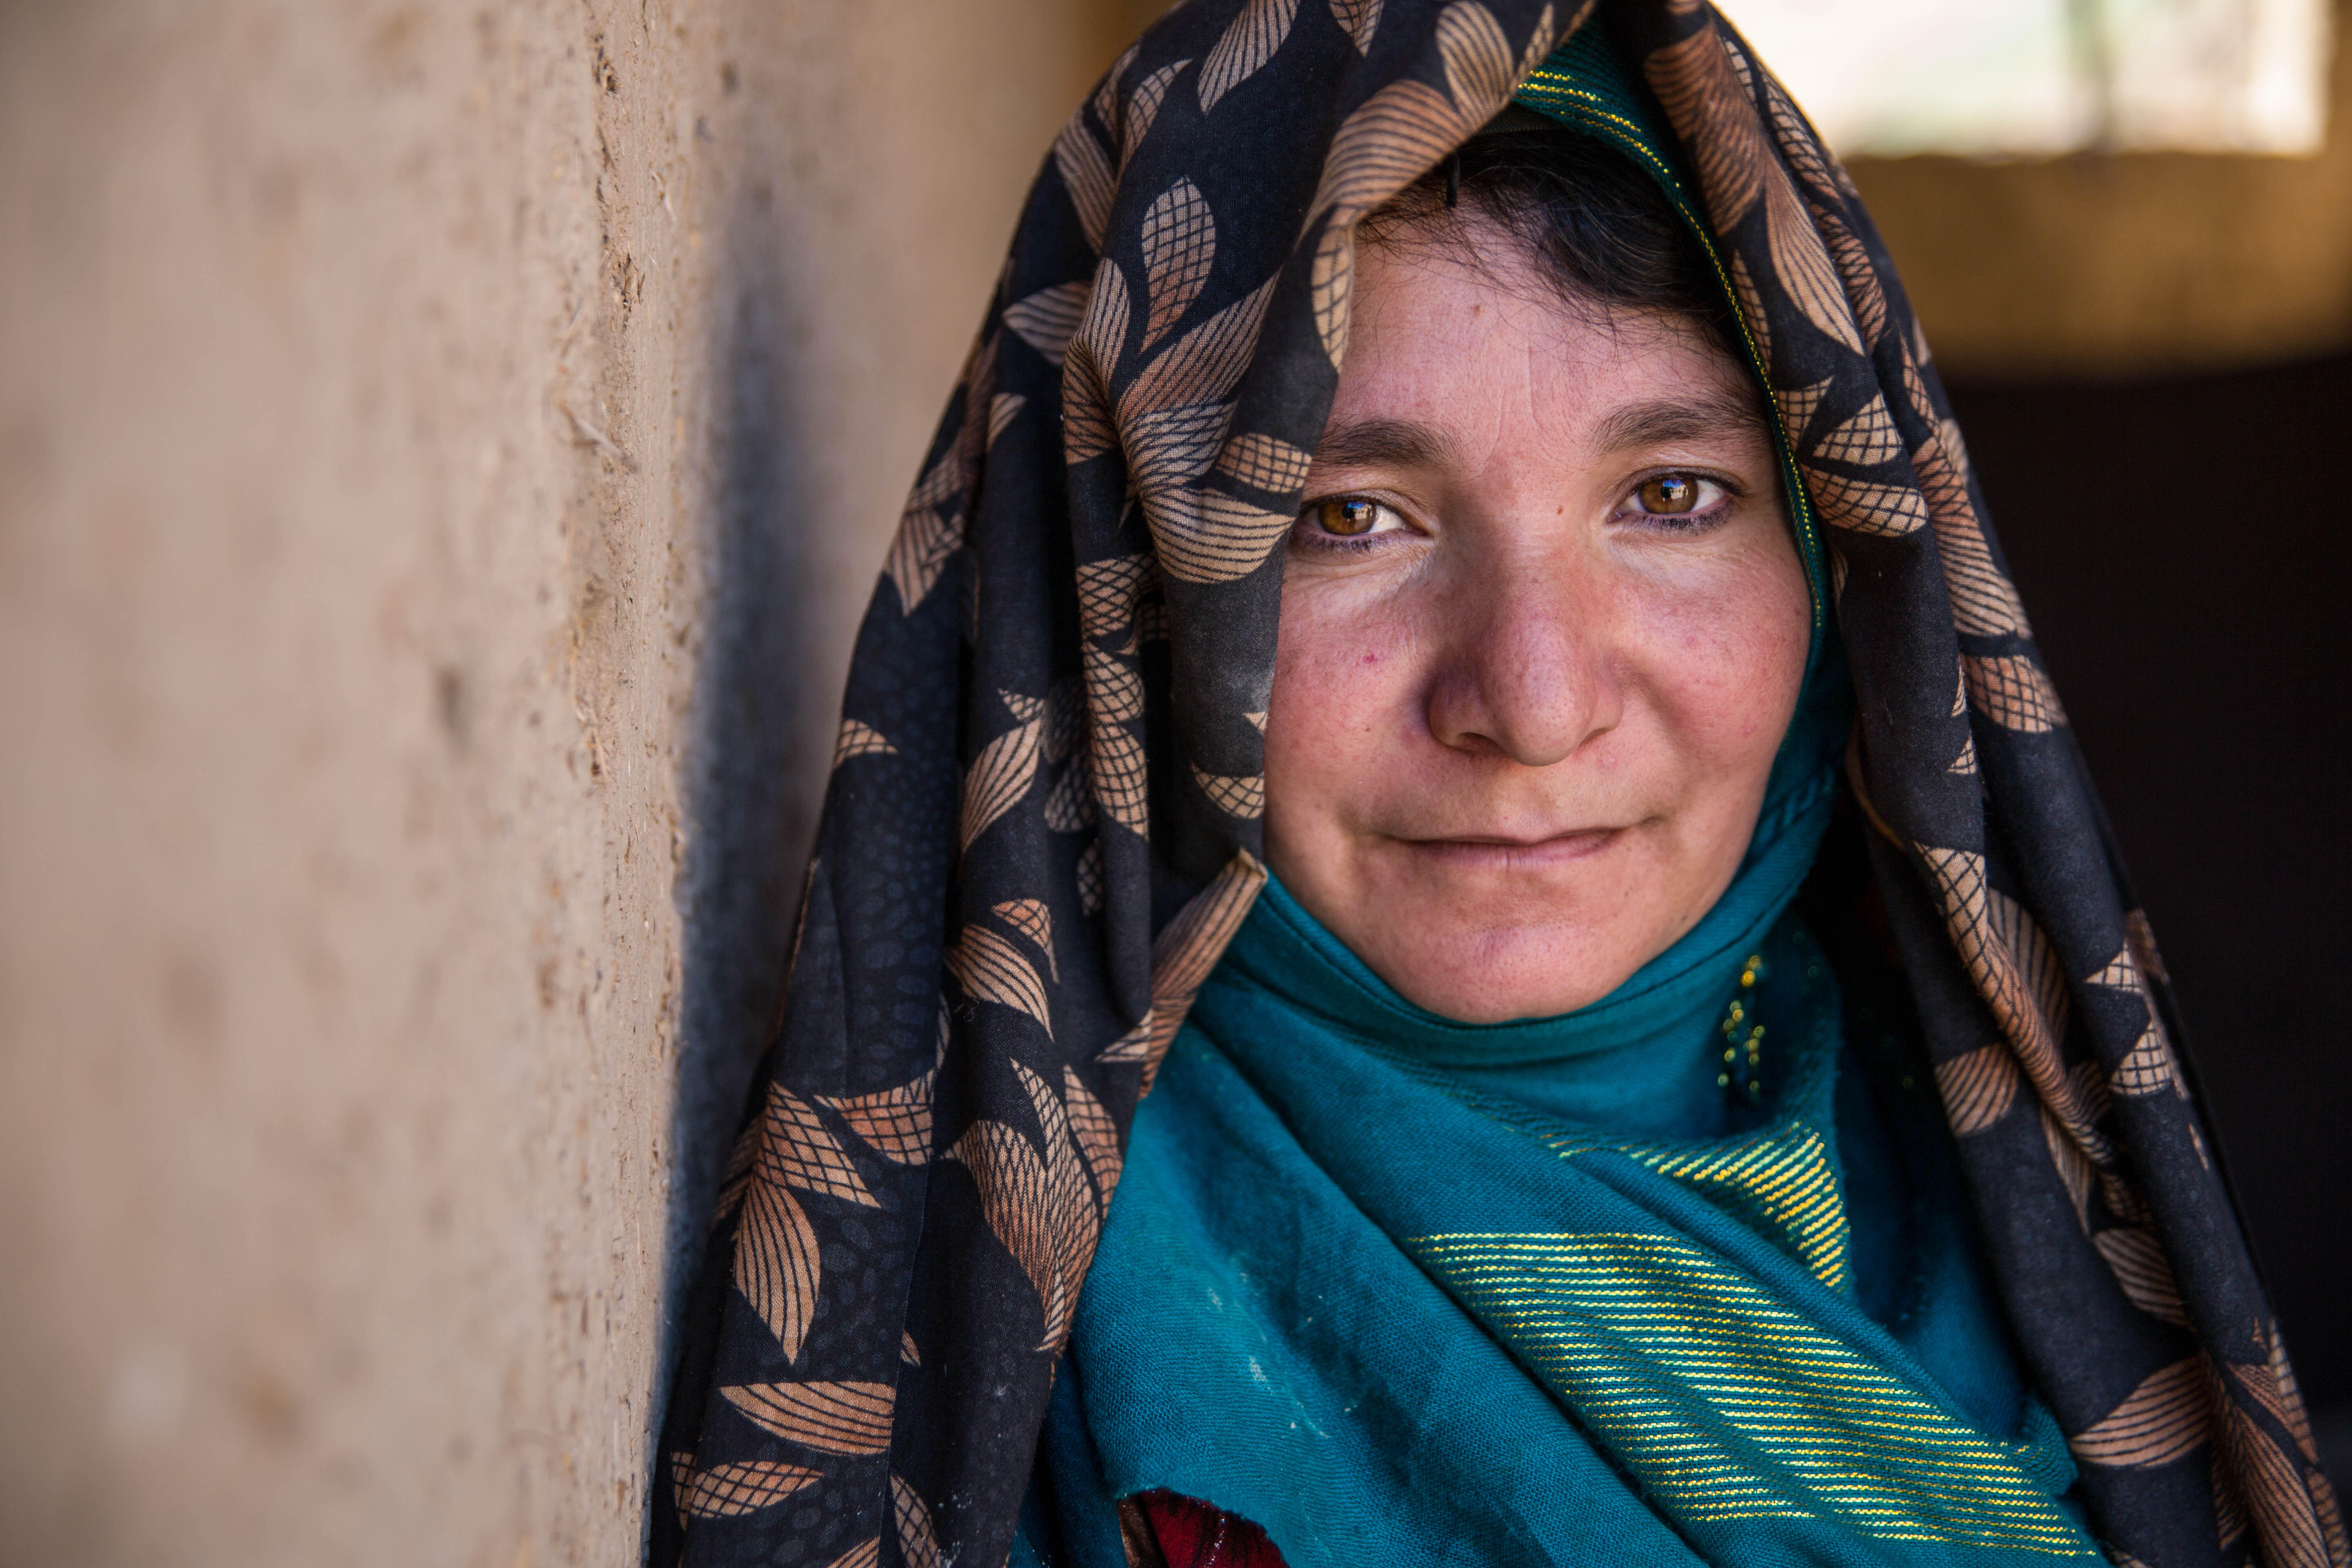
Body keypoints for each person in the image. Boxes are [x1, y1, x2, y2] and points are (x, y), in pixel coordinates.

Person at [653, 7, 2344, 1568]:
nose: (1532, 702)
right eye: (1347, 517)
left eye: (1670, 496)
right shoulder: (996, 1355)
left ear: (1847, 587)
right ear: (1136, 599)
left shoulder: (2027, 1223)